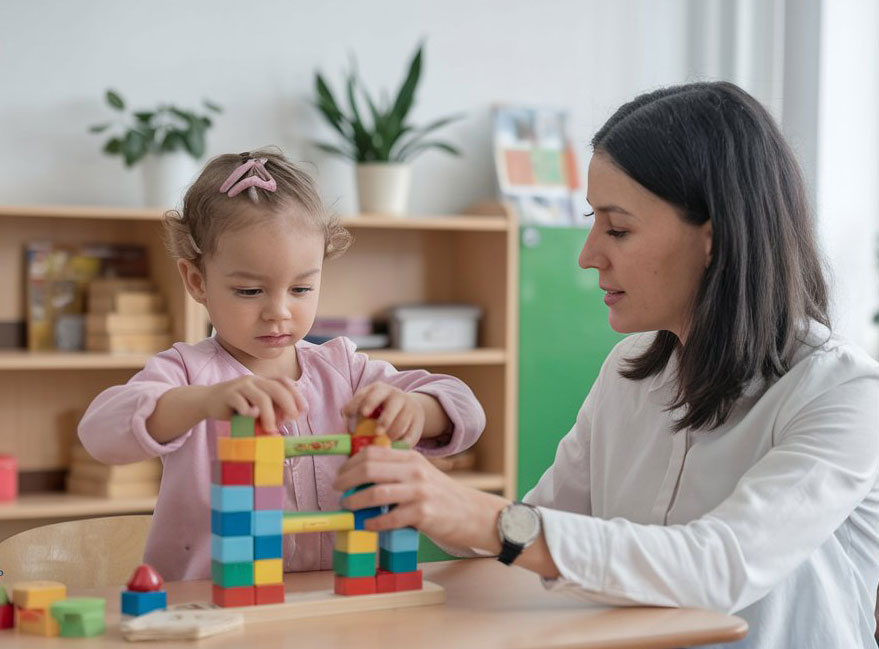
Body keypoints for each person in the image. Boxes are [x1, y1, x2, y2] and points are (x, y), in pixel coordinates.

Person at [333, 82, 879, 648]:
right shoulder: (629, 371)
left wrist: (484, 520)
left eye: (617, 228)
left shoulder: (841, 390)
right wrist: (418, 492)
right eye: (594, 221)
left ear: (713, 240)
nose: (588, 254)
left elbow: (718, 568)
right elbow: (541, 522)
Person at [78, 149, 486, 582]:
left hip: (339, 602)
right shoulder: (186, 373)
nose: (279, 312)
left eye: (301, 288)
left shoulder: (343, 369)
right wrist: (201, 402)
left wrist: (416, 409)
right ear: (197, 282)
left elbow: (467, 410)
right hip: (211, 604)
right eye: (250, 291)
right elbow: (100, 434)